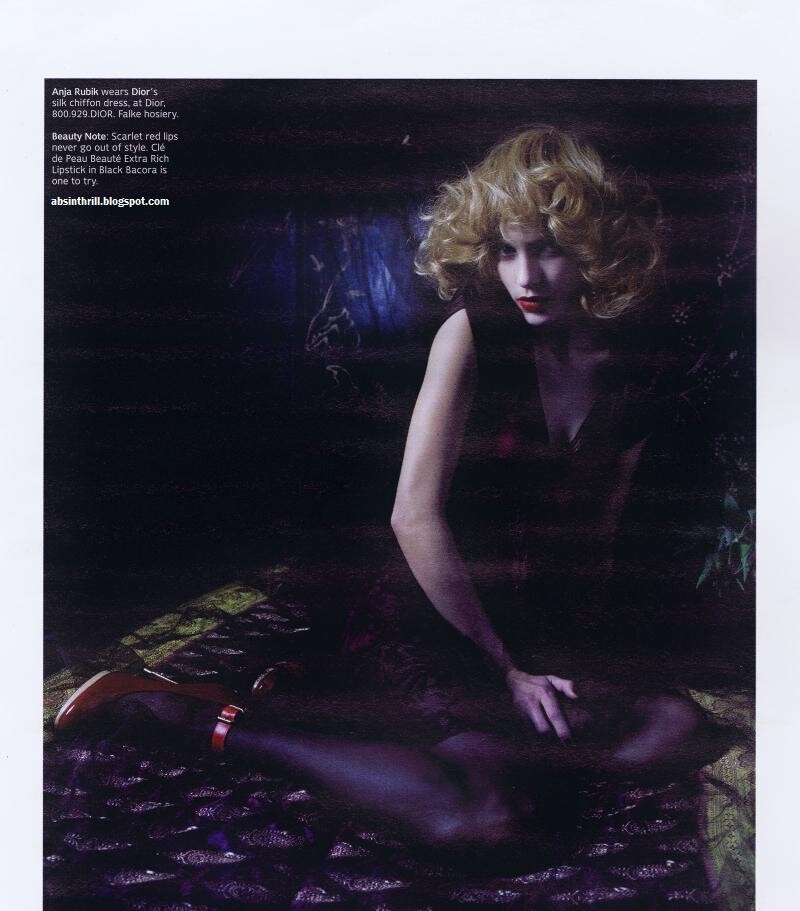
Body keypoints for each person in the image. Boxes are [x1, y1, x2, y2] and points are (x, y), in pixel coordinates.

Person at [55, 126, 719, 848]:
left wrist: (564, 667)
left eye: (549, 249)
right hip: (424, 603)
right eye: (506, 251)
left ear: (595, 248)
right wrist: (506, 667)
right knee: (490, 818)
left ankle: (378, 722)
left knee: (677, 728)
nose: (525, 276)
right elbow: (414, 518)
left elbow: (592, 543)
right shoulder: (472, 335)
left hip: (524, 613)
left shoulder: (630, 370)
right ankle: (205, 720)